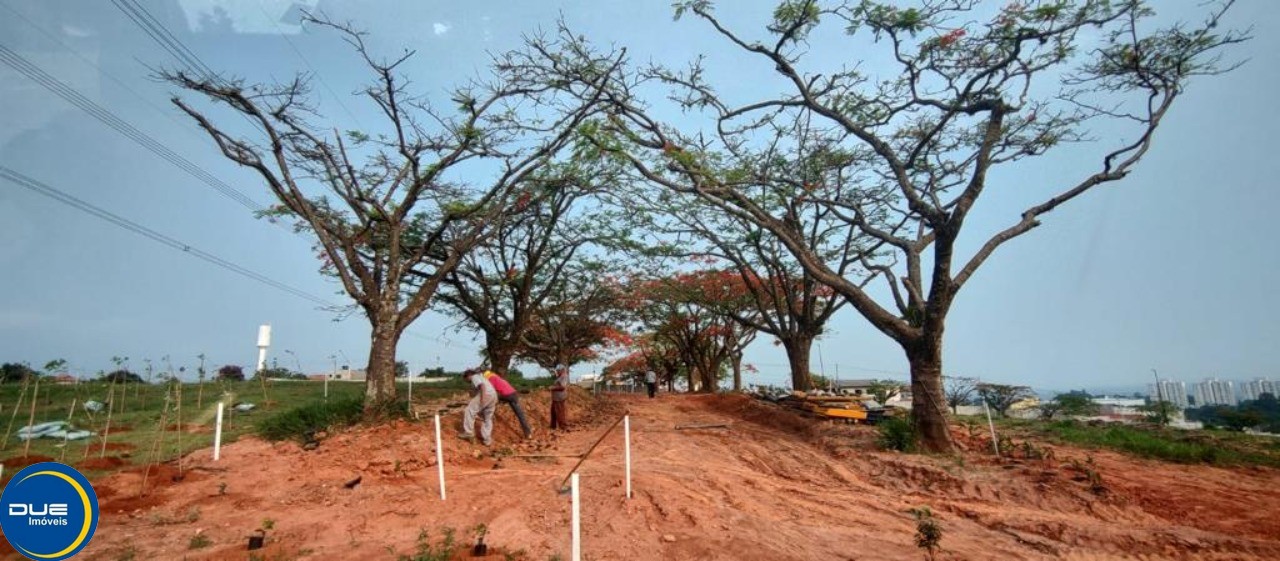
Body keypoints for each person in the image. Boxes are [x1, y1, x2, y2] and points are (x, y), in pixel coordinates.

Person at [484, 369, 532, 438]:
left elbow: (489, 391)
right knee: (520, 415)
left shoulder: (491, 379)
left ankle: (490, 410)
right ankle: (528, 433)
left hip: (506, 396)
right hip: (514, 395)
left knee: (493, 397)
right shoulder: (498, 378)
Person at [460, 368, 497, 446]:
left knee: (469, 410)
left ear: (468, 376)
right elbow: (479, 390)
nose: (467, 381)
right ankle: (487, 440)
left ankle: (468, 432)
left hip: (486, 394)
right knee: (487, 418)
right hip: (493, 395)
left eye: (466, 379)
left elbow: (482, 386)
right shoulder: (481, 376)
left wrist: (483, 398)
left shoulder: (474, 377)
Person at [549, 365, 570, 430]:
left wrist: (553, 388)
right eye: (557, 370)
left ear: (562, 370)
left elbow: (562, 387)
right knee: (553, 412)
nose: (557, 372)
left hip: (559, 398)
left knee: (560, 412)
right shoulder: (560, 377)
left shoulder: (564, 376)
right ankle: (553, 426)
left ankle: (563, 427)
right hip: (556, 398)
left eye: (558, 370)